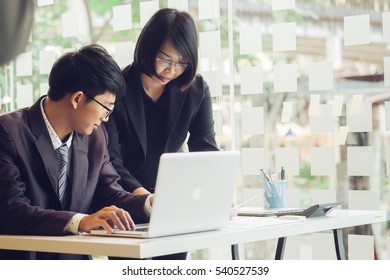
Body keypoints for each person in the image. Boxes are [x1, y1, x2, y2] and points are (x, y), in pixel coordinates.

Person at [0, 44, 152, 260]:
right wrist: (81, 221)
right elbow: (11, 210)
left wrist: (149, 204)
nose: (106, 117)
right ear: (77, 98)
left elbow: (108, 193)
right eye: (106, 107)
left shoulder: (95, 138)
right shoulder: (7, 133)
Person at [105, 8, 220, 260]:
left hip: (174, 208)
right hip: (125, 204)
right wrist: (146, 199)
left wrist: (216, 194)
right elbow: (111, 160)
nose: (172, 70)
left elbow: (206, 150)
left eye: (181, 63)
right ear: (148, 48)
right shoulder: (117, 89)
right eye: (165, 59)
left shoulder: (195, 89)